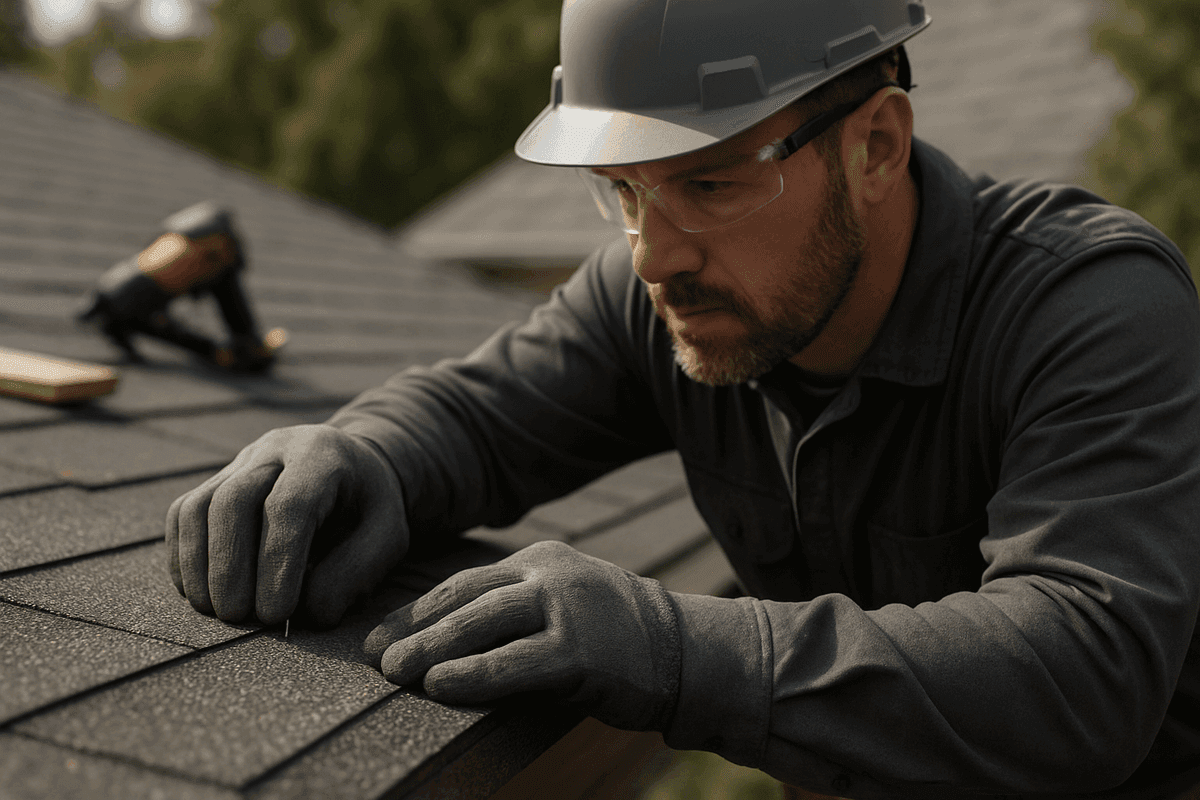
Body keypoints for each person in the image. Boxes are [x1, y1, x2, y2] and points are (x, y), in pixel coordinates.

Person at [166, 0, 1200, 797]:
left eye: (709, 183)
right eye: (624, 188)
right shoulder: (673, 294)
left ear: (875, 146)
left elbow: (1084, 669)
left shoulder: (1090, 306)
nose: (655, 254)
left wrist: (669, 646)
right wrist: (361, 453)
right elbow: (480, 413)